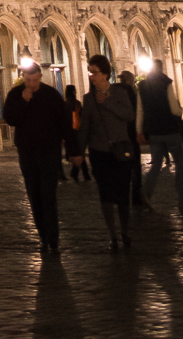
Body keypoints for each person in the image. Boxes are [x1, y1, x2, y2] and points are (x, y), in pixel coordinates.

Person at [2, 60, 73, 256]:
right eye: (27, 80)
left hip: (50, 152)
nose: (31, 83)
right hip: (27, 153)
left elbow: (64, 124)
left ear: (41, 77)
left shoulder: (52, 95)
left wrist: (73, 150)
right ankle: (43, 235)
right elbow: (10, 119)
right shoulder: (16, 95)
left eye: (34, 80)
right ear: (22, 78)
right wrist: (23, 101)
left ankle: (53, 238)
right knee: (34, 195)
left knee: (49, 195)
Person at [74, 54, 137, 249]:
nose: (91, 76)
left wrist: (107, 102)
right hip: (99, 152)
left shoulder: (119, 93)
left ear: (106, 74)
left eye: (94, 72)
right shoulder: (88, 99)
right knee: (105, 196)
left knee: (122, 194)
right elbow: (85, 127)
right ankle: (112, 235)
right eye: (90, 72)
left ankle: (125, 231)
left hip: (120, 150)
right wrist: (78, 152)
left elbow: (129, 115)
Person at [138, 64, 183, 203]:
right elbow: (174, 108)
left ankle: (147, 192)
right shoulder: (166, 82)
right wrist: (180, 110)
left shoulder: (142, 86)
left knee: (156, 164)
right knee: (180, 164)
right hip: (169, 129)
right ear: (161, 69)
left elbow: (140, 111)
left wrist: (139, 131)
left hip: (153, 131)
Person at [118, 71, 150, 211]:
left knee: (122, 169)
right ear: (131, 80)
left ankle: (122, 198)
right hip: (131, 135)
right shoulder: (133, 94)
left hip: (119, 136)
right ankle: (136, 198)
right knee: (135, 168)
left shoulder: (114, 94)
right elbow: (138, 114)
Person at [64, 85, 91, 182]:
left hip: (69, 132)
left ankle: (79, 173)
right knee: (80, 152)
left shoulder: (65, 104)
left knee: (77, 153)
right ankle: (82, 174)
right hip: (77, 131)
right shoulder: (77, 104)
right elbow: (83, 118)